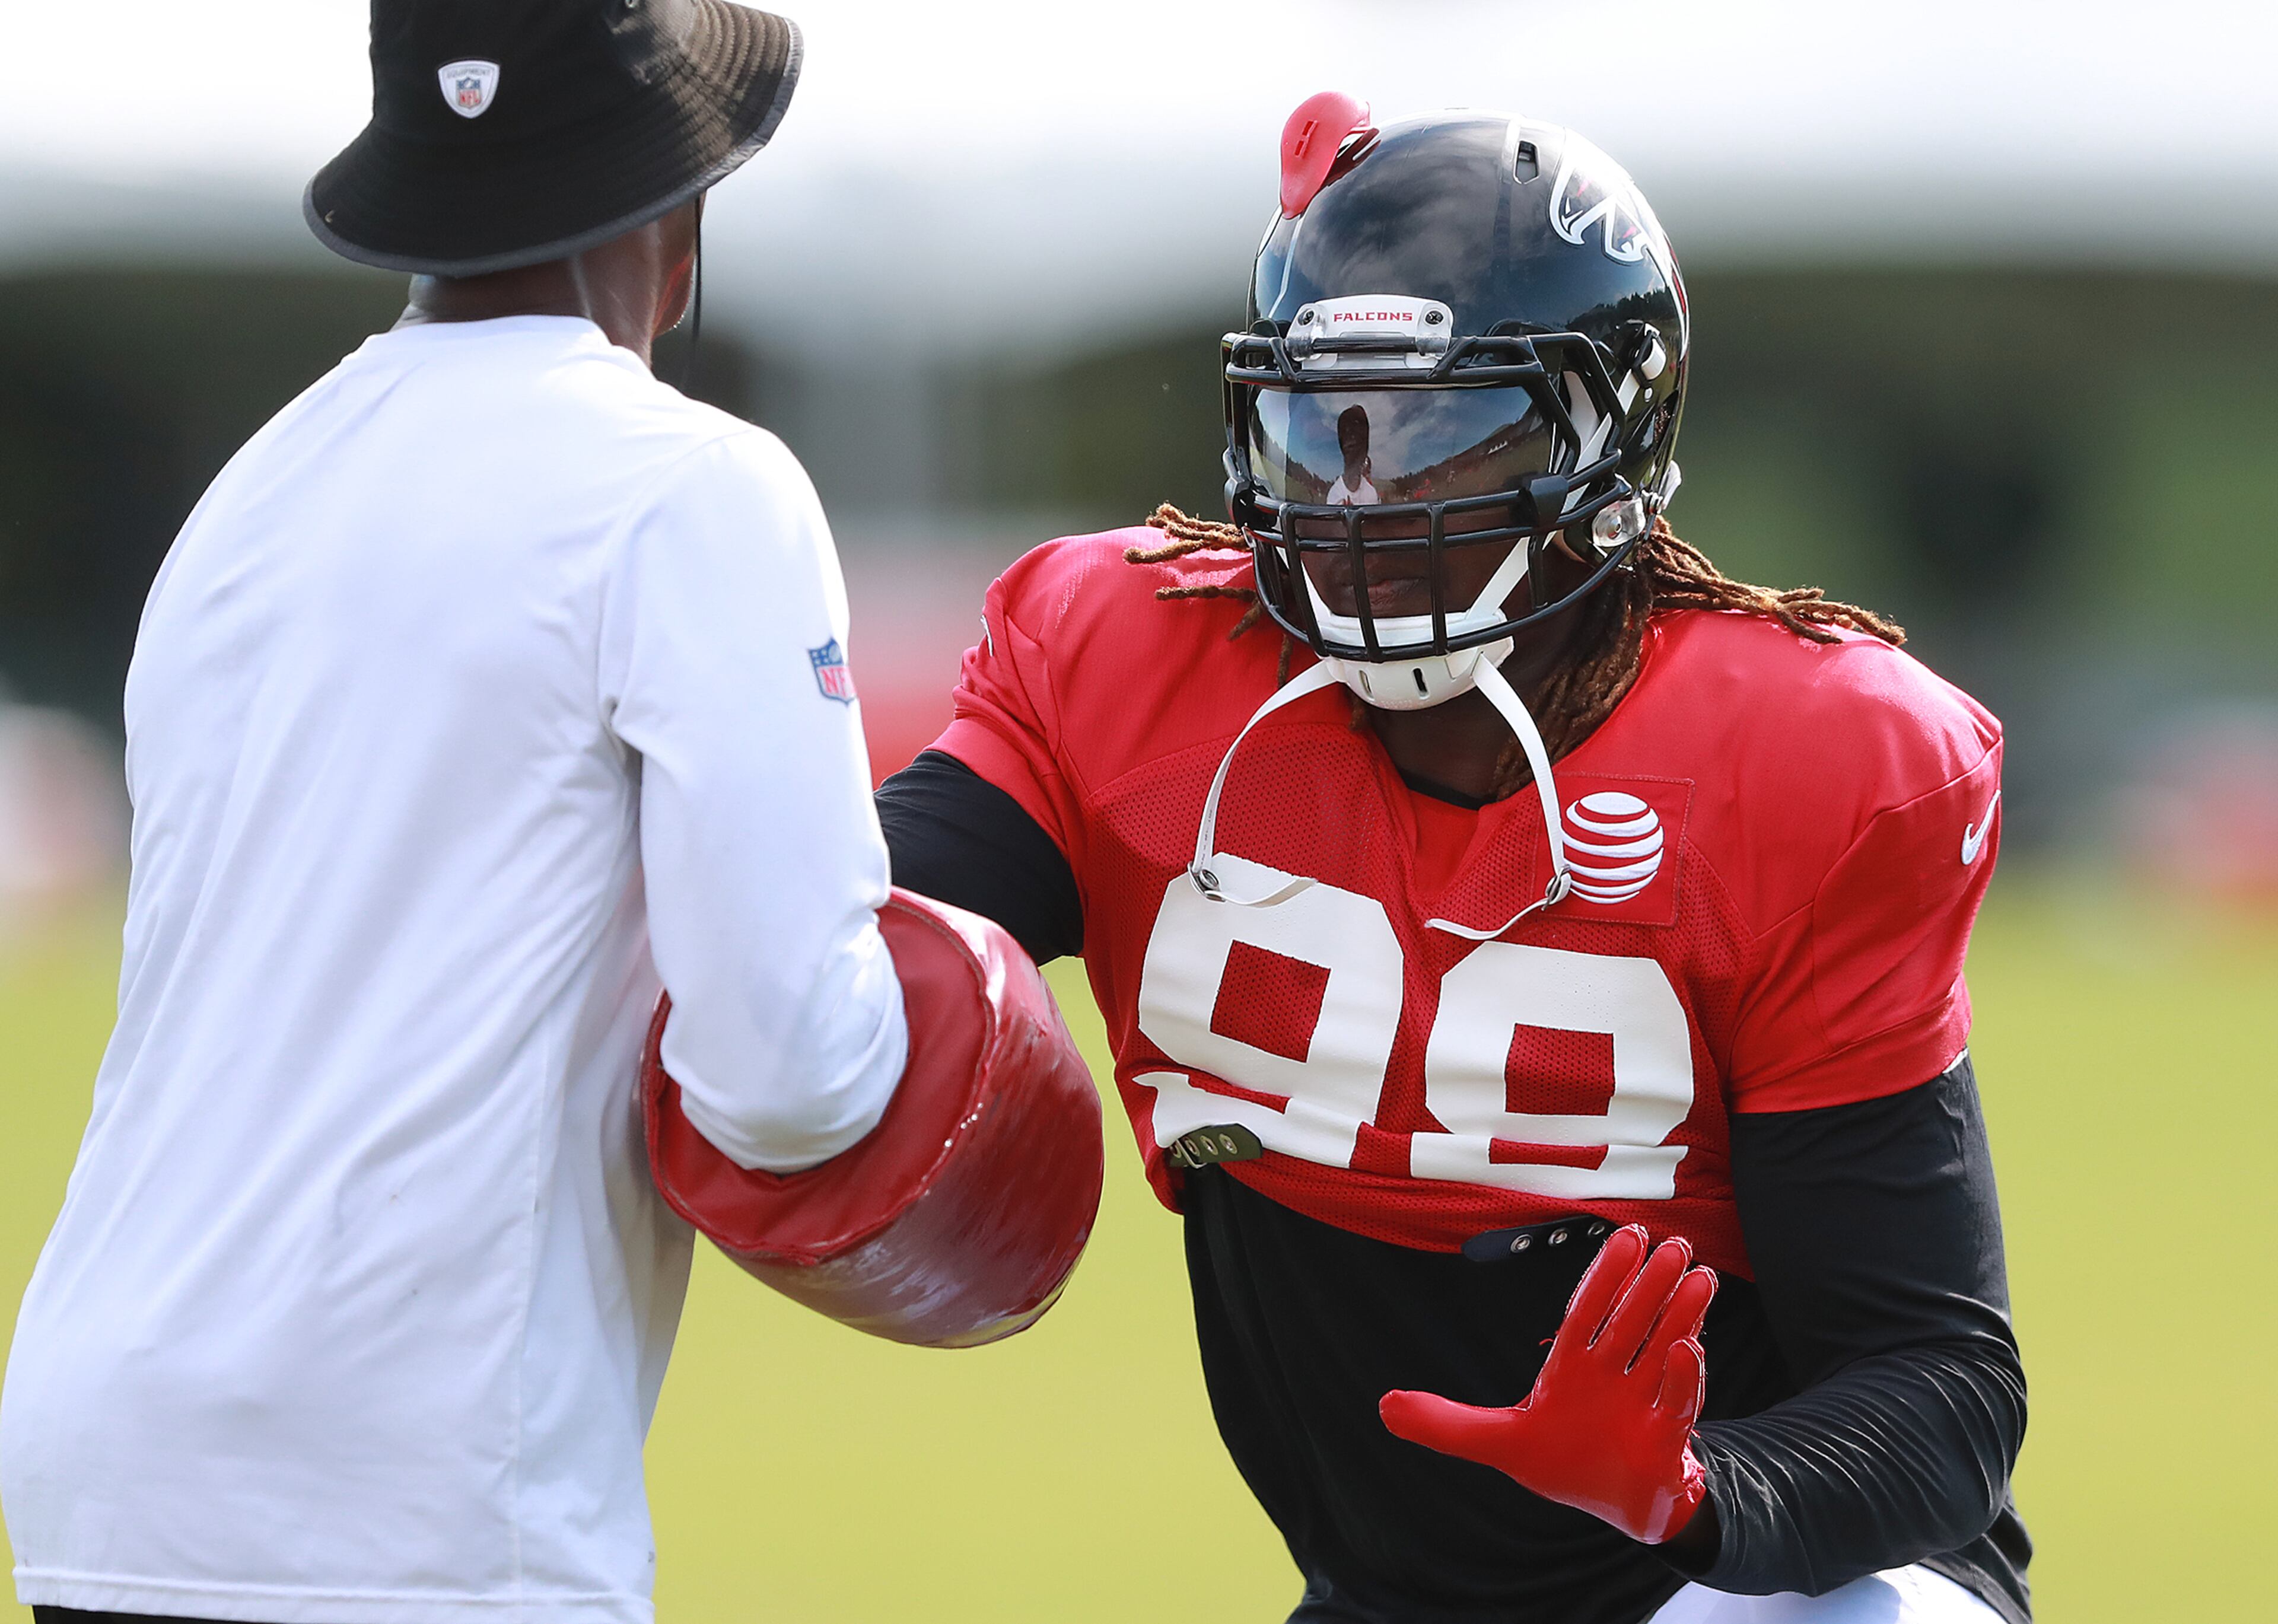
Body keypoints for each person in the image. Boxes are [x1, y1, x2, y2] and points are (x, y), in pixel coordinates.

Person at [1, 5, 1096, 1623]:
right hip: (418, 1495)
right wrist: (962, 1018)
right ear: (681, 222)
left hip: (109, 1460)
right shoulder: (695, 487)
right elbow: (786, 1076)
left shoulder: (246, 495)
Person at [876, 97, 2030, 1623]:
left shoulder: (1805, 766)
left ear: (1606, 441)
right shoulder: (1125, 673)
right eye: (1320, 425)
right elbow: (845, 941)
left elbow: (1940, 1391)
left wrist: (1696, 1494)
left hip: (1772, 1582)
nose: (1357, 495)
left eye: (1431, 434)